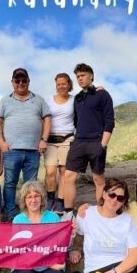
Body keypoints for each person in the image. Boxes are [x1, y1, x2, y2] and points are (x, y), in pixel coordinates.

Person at [0, 68, 51, 218]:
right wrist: (1, 142)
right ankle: (10, 214)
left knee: (31, 186)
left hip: (33, 151)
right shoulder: (5, 101)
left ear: (28, 82)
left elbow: (47, 119)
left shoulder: (39, 100)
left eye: (23, 80)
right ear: (12, 82)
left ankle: (29, 215)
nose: (20, 83)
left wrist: (44, 139)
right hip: (11, 151)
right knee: (10, 183)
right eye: (17, 80)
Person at [62, 63, 115, 213]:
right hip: (79, 141)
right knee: (68, 176)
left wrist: (103, 145)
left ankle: (102, 213)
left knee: (98, 179)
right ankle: (68, 214)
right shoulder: (77, 98)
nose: (80, 78)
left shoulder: (102, 94)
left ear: (91, 76)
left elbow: (109, 121)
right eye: (78, 76)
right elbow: (76, 121)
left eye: (83, 75)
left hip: (96, 142)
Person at [44, 73, 75, 213]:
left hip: (67, 138)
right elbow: (43, 119)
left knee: (63, 171)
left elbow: (88, 98)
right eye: (58, 84)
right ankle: (50, 198)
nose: (61, 86)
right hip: (50, 139)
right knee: (50, 171)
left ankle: (60, 201)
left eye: (63, 84)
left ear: (69, 84)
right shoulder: (48, 100)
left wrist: (98, 89)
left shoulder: (74, 100)